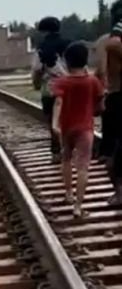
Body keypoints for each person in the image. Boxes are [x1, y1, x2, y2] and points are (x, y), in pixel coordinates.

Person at [52, 42, 104, 218]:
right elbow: (100, 106)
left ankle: (68, 193)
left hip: (67, 128)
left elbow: (58, 101)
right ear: (85, 60)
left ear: (66, 61)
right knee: (83, 167)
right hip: (85, 129)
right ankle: (78, 207)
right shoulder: (93, 81)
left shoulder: (62, 82)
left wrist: (55, 124)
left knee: (66, 159)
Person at [32, 16, 70, 163]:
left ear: (44, 31)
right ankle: (70, 148)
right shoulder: (69, 44)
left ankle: (56, 152)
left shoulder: (42, 47)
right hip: (70, 87)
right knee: (69, 119)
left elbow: (37, 70)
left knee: (52, 122)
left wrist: (36, 84)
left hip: (50, 88)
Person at [102, 25, 122, 204]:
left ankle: (119, 192)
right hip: (115, 97)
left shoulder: (111, 42)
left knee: (111, 153)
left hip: (116, 98)